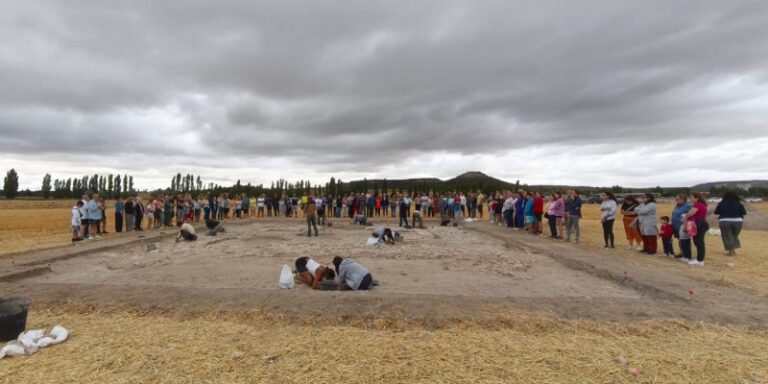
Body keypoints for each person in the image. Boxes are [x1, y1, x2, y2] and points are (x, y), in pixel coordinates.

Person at [715, 191, 747, 256]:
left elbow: (716, 212)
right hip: (738, 221)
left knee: (727, 236)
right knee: (733, 236)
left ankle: (731, 251)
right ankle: (733, 250)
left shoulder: (721, 204)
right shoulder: (739, 204)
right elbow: (744, 213)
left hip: (724, 221)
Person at [686, 193, 710, 266]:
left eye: (692, 197)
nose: (690, 199)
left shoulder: (697, 205)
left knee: (699, 242)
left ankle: (700, 260)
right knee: (698, 242)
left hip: (700, 224)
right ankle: (699, 259)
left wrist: (687, 215)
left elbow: (689, 214)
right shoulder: (702, 205)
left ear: (697, 198)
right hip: (700, 223)